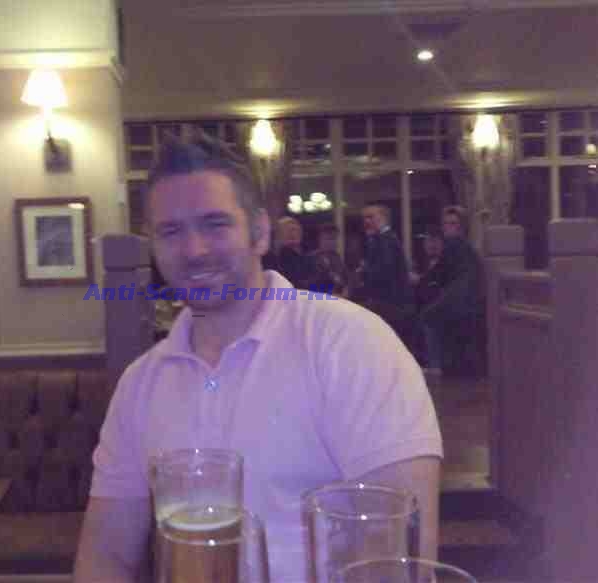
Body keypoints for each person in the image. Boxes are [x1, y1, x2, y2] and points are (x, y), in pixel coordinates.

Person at [73, 134, 443, 583]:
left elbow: (399, 558)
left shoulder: (351, 343)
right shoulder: (140, 384)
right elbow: (106, 554)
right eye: (171, 232)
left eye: (215, 224)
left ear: (261, 232)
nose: (194, 250)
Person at [420, 206, 486, 378]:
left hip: (462, 300)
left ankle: (435, 365)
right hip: (468, 301)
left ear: (462, 226)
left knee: (427, 316)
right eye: (446, 223)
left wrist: (420, 280)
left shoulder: (453, 245)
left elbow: (440, 274)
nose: (448, 227)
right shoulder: (464, 247)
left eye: (453, 223)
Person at [353, 204, 415, 347]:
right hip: (390, 304)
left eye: (371, 217)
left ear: (383, 218)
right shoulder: (380, 240)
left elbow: (384, 272)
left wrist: (364, 272)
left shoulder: (386, 240)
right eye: (364, 218)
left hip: (391, 305)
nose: (366, 221)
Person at [411, 226, 447, 371]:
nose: (431, 244)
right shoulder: (422, 264)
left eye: (435, 240)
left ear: (442, 243)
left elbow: (436, 288)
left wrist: (420, 281)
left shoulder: (445, 263)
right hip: (423, 308)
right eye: (428, 241)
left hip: (439, 309)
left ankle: (434, 366)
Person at [307, 223, 349, 296]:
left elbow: (345, 279)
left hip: (339, 299)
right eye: (329, 238)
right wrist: (330, 293)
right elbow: (309, 285)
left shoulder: (337, 258)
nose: (333, 242)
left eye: (335, 238)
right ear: (320, 239)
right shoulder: (311, 258)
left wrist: (345, 290)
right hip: (320, 299)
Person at [272, 216, 313, 289]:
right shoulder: (276, 258)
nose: (293, 234)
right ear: (279, 234)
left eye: (295, 230)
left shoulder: (309, 256)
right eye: (288, 231)